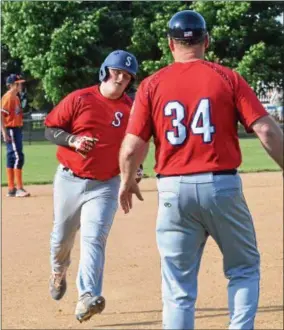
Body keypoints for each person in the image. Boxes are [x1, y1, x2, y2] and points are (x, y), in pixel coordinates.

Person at [119, 10, 283, 330]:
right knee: (243, 269)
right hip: (221, 186)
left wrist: (126, 181)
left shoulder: (152, 85)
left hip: (172, 191)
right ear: (206, 41)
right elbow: (267, 132)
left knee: (178, 288)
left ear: (170, 44)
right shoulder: (227, 77)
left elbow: (130, 148)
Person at [44, 50, 141, 323]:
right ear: (104, 70)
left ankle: (86, 296)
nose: (120, 78)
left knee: (94, 238)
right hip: (69, 179)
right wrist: (73, 141)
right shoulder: (80, 98)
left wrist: (136, 170)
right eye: (116, 71)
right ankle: (58, 270)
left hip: (106, 185)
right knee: (61, 237)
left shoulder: (131, 109)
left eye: (127, 75)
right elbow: (50, 128)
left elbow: (136, 144)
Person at [1, 74, 30, 197]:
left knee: (12, 157)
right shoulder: (8, 98)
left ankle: (11, 189)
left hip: (16, 129)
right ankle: (18, 188)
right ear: (11, 85)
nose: (21, 85)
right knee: (18, 157)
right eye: (18, 83)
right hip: (11, 129)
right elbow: (1, 115)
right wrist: (4, 132)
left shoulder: (16, 97)